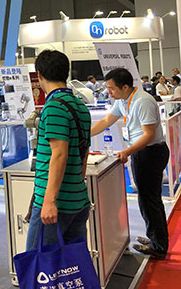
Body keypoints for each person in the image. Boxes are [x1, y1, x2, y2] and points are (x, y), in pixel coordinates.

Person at [90, 68, 169, 259]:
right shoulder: (123, 100)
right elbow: (107, 120)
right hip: (141, 151)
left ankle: (159, 246)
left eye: (111, 88)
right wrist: (84, 134)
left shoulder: (142, 101)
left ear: (125, 87)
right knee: (146, 198)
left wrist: (127, 151)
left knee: (150, 200)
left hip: (151, 152)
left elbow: (149, 135)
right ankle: (155, 238)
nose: (108, 92)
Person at [26, 50, 91, 252]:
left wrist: (49, 200)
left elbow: (59, 154)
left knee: (39, 262)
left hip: (56, 203)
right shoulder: (80, 106)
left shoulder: (54, 107)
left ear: (39, 75)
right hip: (78, 199)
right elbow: (83, 153)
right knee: (71, 263)